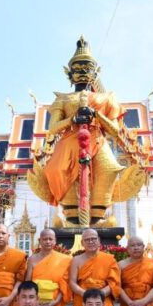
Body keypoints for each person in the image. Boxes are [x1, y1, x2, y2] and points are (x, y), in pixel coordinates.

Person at [37, 37, 125, 224]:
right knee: (56, 169)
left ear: (95, 72)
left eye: (87, 68)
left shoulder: (107, 98)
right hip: (69, 140)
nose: (83, 72)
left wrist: (97, 115)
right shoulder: (63, 99)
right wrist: (73, 119)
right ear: (69, 74)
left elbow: (115, 130)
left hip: (97, 139)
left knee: (109, 168)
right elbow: (52, 129)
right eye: (78, 69)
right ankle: (72, 217)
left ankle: (97, 217)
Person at [69, 229, 120, 306]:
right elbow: (72, 282)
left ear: (99, 241)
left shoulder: (109, 259)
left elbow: (114, 283)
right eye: (87, 240)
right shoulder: (76, 260)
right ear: (82, 242)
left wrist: (100, 294)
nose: (91, 242)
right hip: (82, 298)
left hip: (103, 298)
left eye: (93, 239)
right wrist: (84, 294)